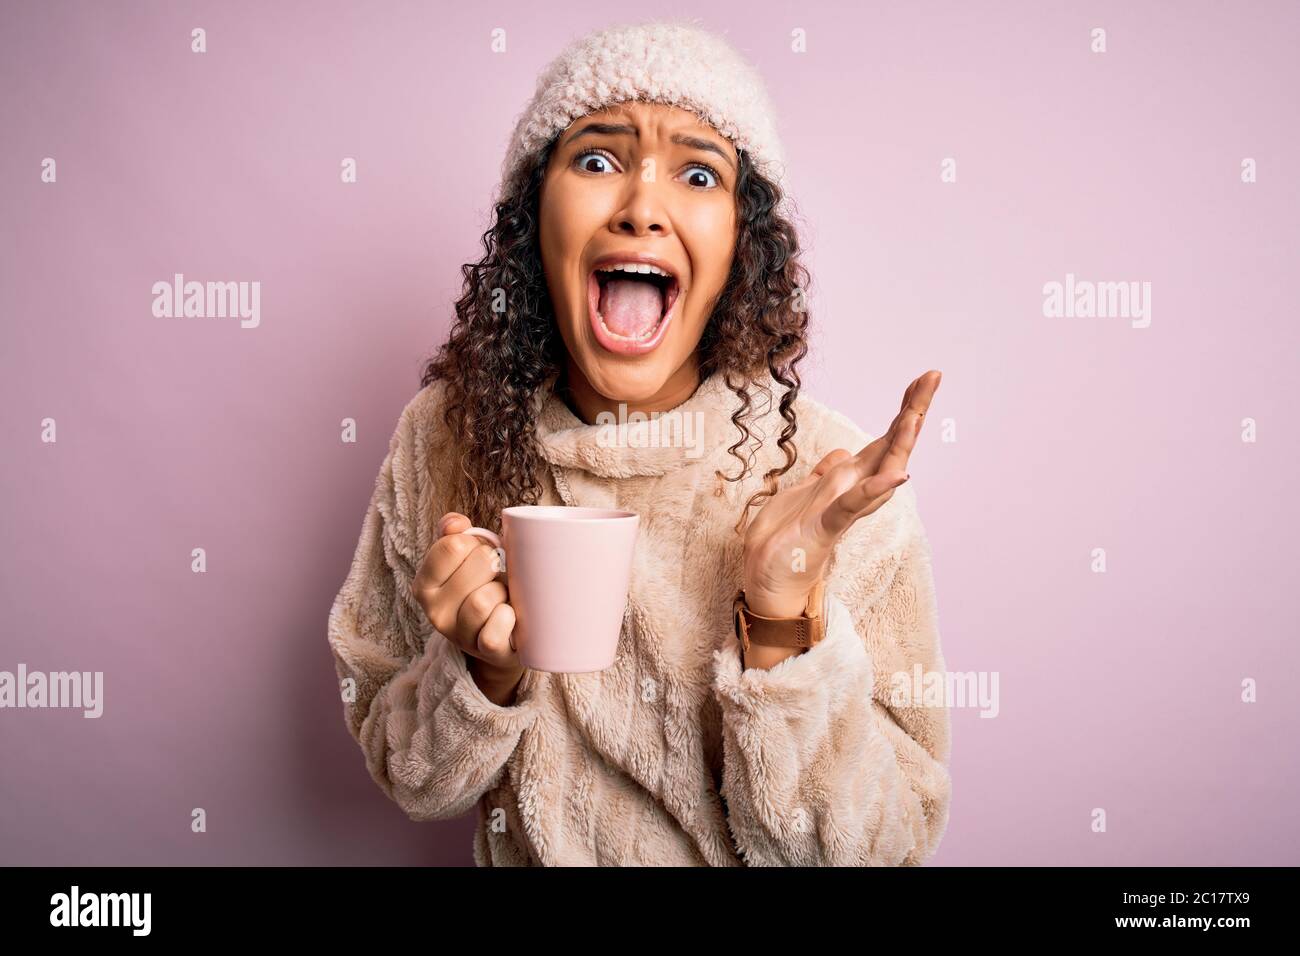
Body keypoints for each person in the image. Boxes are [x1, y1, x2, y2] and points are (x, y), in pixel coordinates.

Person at [327, 18, 951, 866]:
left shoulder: (832, 482)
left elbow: (881, 849)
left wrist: (782, 619)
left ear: (742, 244)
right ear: (529, 220)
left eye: (698, 174)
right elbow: (412, 778)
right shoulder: (446, 438)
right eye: (595, 160)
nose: (642, 210)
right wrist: (479, 671)